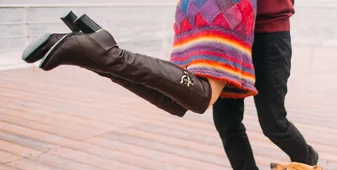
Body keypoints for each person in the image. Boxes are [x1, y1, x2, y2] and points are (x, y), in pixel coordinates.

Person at [22, 0, 259, 117]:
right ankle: (100, 52)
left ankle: (91, 53)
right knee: (201, 96)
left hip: (196, 6)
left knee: (175, 100)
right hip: (225, 8)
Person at [212, 0, 319, 170]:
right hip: (227, 35)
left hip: (268, 35)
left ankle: (307, 162)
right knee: (226, 120)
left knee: (273, 123)